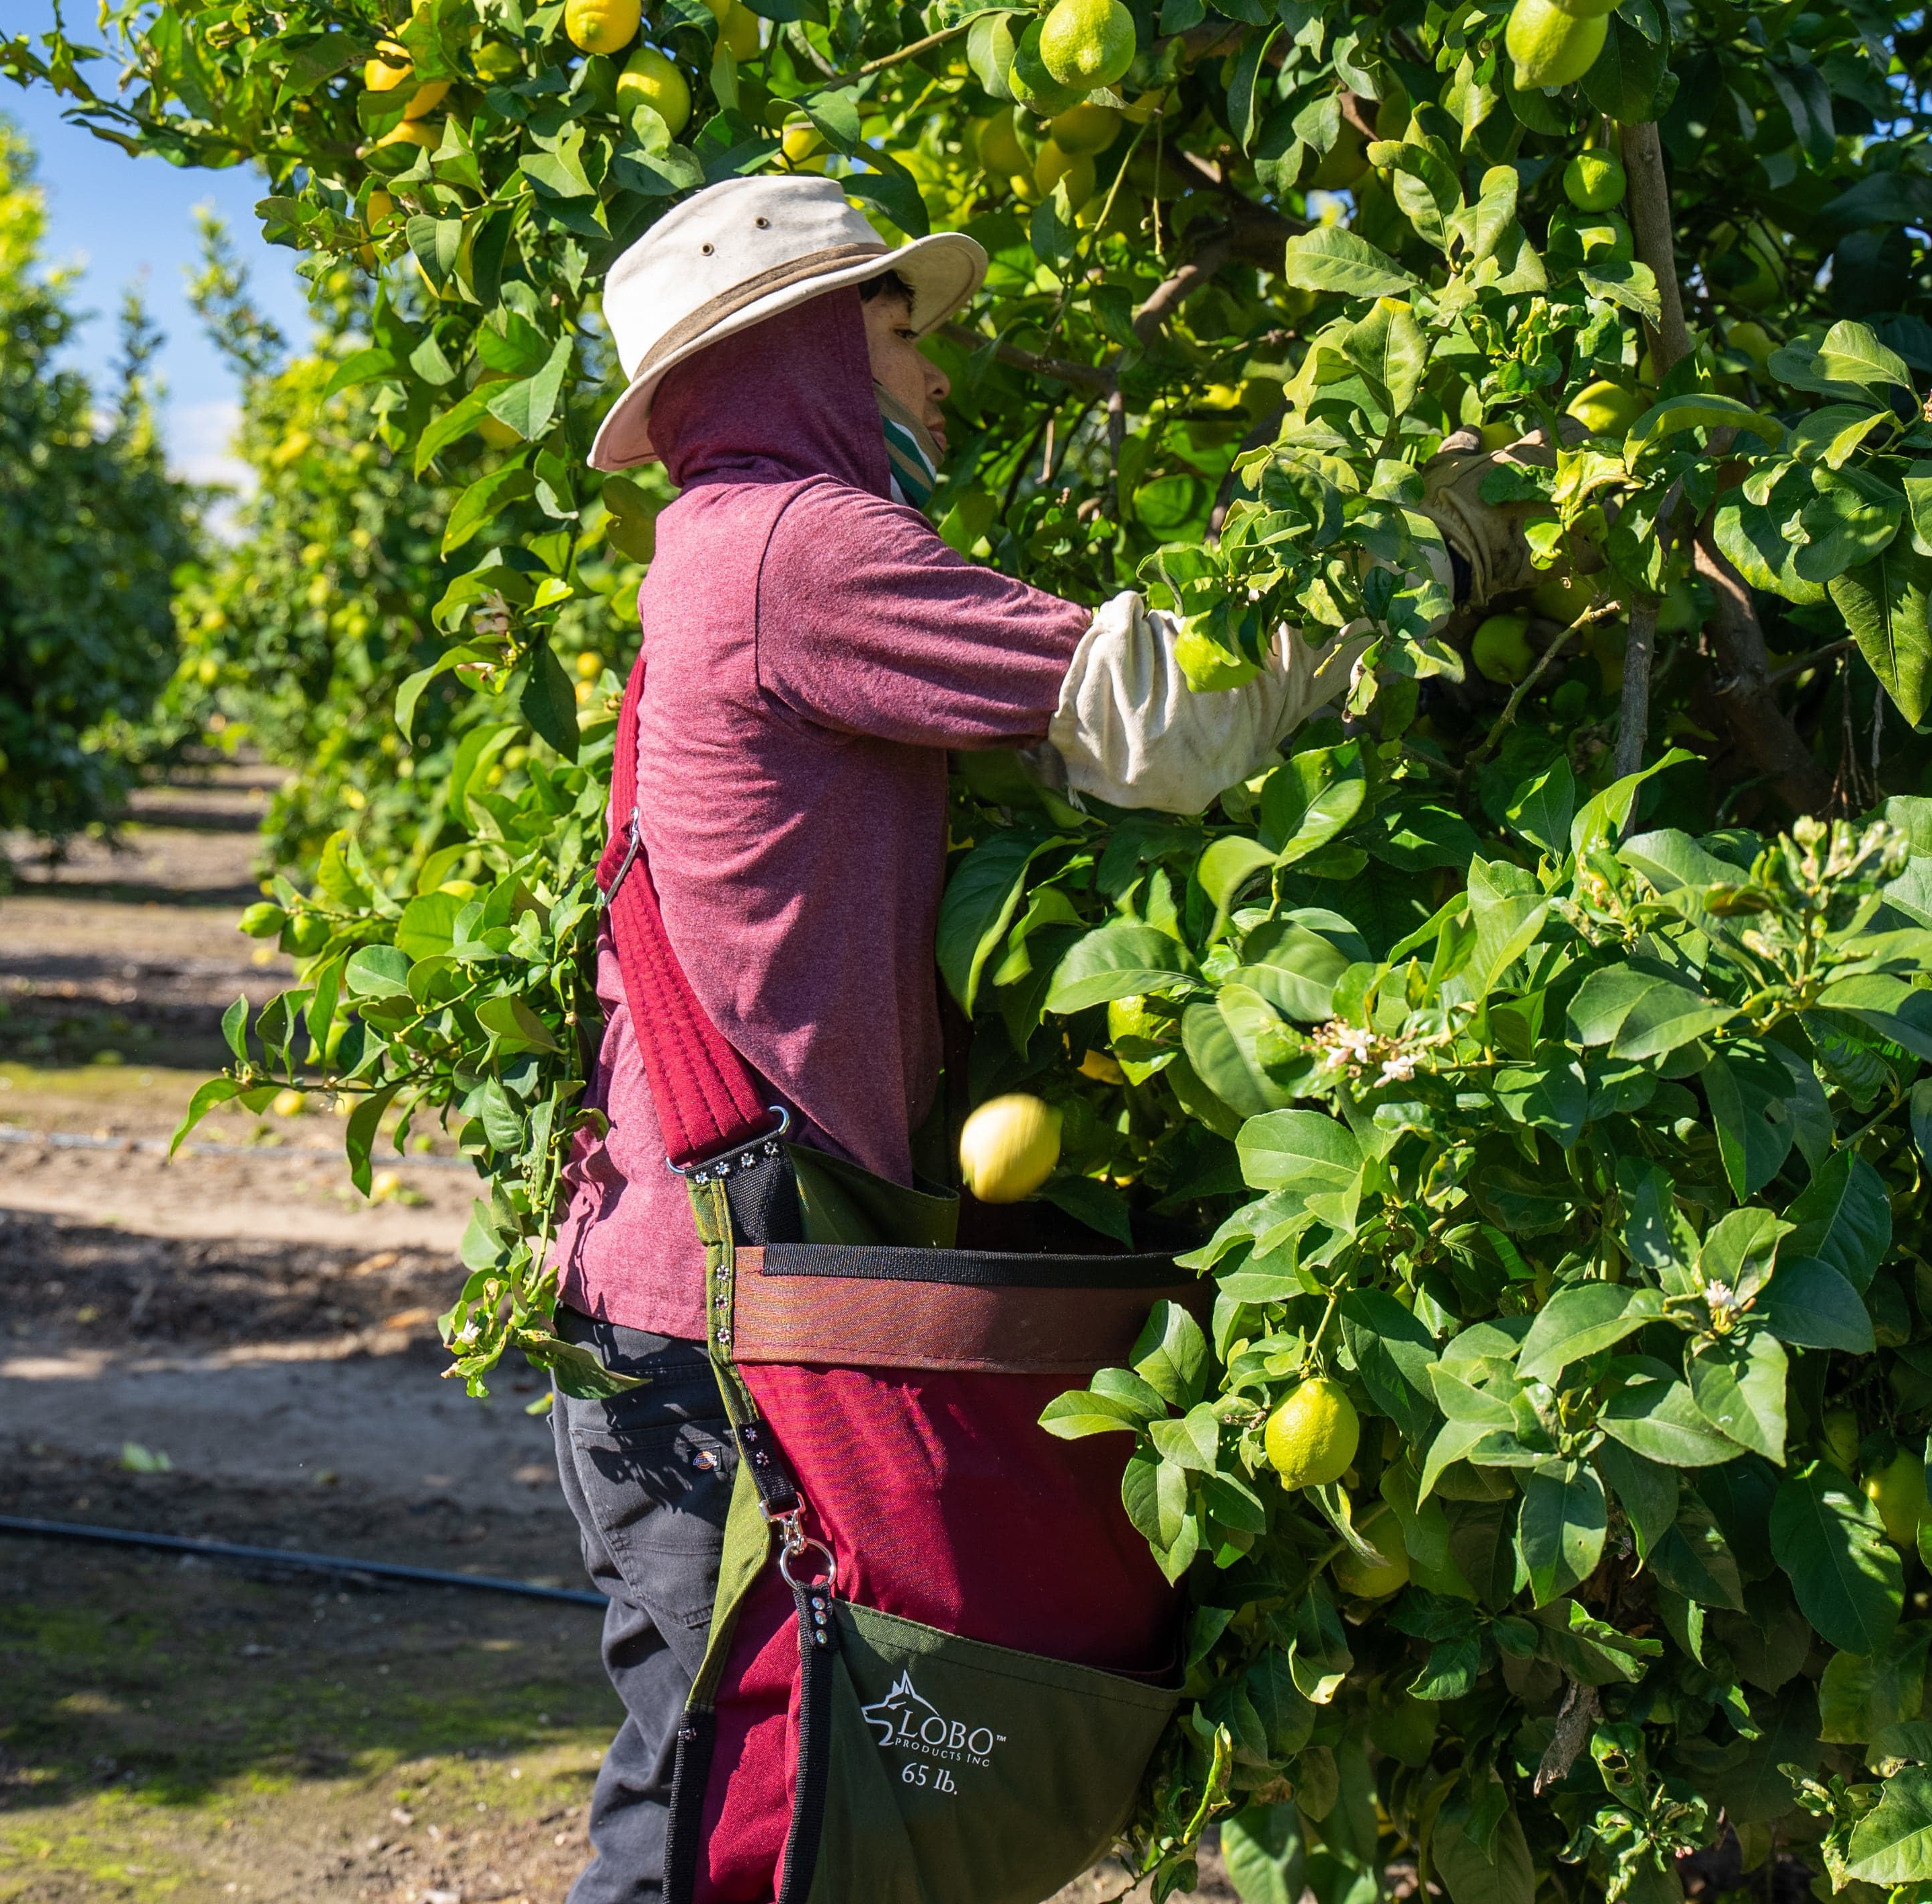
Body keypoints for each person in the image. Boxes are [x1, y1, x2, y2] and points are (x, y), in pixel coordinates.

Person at [537, 173, 1536, 1904]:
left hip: (665, 1292)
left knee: (730, 1793)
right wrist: (1422, 549)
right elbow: (1150, 723)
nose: (936, 380)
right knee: (735, 1823)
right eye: (900, 331)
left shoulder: (718, 554)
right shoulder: (794, 548)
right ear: (800, 350)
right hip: (713, 1315)